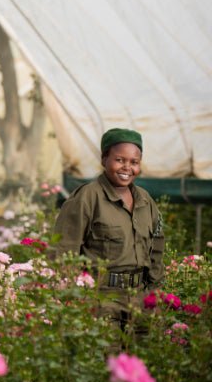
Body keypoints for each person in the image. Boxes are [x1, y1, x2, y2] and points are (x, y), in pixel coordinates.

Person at [52, 127, 164, 328]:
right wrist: (72, 298)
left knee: (141, 348)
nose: (127, 167)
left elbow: (156, 247)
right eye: (119, 160)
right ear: (104, 159)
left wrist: (155, 293)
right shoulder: (87, 197)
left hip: (140, 301)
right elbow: (64, 250)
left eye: (134, 162)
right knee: (107, 349)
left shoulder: (145, 200)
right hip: (100, 300)